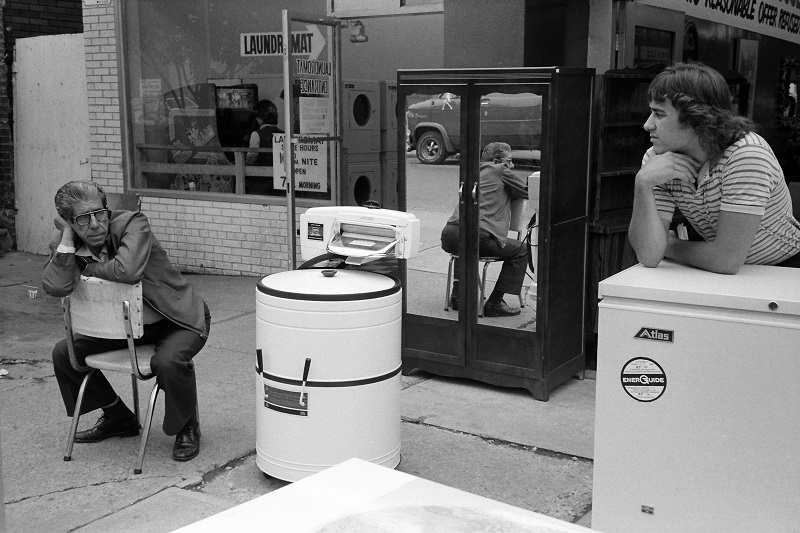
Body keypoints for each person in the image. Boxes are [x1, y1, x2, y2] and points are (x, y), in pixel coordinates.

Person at [42, 181, 211, 462]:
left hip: (176, 319)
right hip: (127, 328)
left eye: (100, 213)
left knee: (168, 362)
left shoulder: (133, 224)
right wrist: (69, 239)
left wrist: (91, 268)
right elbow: (54, 286)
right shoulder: (68, 246)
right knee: (64, 353)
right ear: (70, 223)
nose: (95, 224)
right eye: (82, 219)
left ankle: (187, 426)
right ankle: (118, 416)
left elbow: (127, 269)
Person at [629, 62, 800, 274]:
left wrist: (671, 245)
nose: (648, 124)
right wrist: (642, 183)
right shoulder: (659, 161)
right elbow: (649, 255)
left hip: (786, 270)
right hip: (724, 273)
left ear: (695, 117)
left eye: (659, 114)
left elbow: (726, 260)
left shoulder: (746, 155)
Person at [441, 142, 529, 317]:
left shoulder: (472, 170)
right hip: (478, 234)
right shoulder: (500, 170)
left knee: (464, 245)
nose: (511, 166)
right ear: (497, 160)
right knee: (522, 250)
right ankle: (495, 303)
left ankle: (458, 296)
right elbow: (528, 192)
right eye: (509, 161)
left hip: (449, 233)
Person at [246, 99, 283, 166]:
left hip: (260, 173)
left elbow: (251, 158)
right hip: (279, 173)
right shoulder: (284, 134)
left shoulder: (256, 134)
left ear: (259, 118)